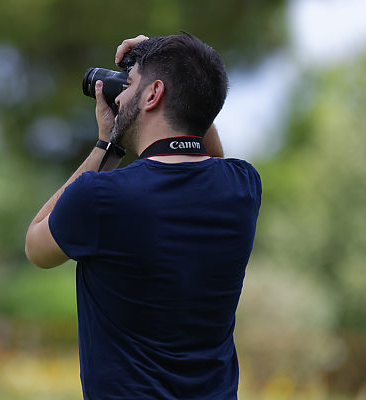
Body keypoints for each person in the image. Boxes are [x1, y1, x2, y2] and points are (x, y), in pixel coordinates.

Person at [24, 33, 261, 399]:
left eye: (129, 83)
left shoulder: (100, 196)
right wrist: (181, 72)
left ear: (153, 95)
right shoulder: (243, 186)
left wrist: (108, 144)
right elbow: (205, 151)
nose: (118, 96)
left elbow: (36, 245)